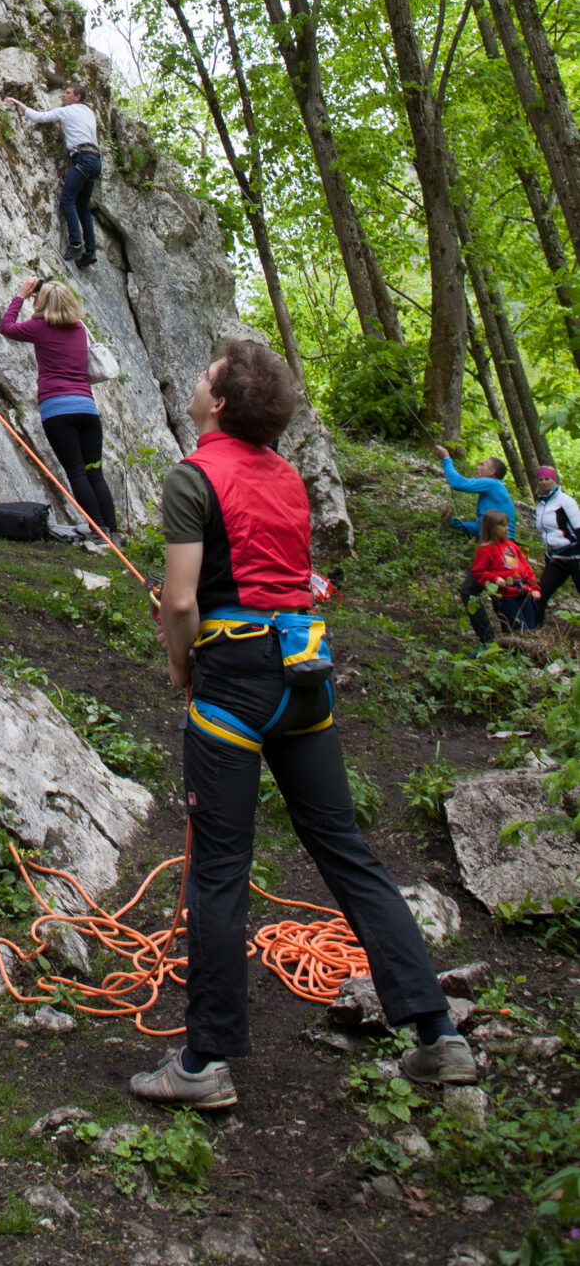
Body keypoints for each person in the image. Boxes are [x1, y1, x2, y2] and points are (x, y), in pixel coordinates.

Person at [131, 336, 476, 1111]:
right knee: (345, 849)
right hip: (303, 675)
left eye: (205, 375)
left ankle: (201, 1063)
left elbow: (180, 601)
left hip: (234, 683)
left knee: (219, 867)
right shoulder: (285, 475)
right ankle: (436, 1033)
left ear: (219, 403)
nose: (195, 378)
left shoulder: (192, 476)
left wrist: (180, 668)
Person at [0, 275, 116, 539]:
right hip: (87, 407)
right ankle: (112, 530)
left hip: (57, 408)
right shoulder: (79, 328)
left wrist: (20, 296)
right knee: (95, 472)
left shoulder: (39, 328)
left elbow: (6, 327)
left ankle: (98, 530)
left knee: (76, 472)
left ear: (43, 303)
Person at [10, 82, 102, 268]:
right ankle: (90, 251)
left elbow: (39, 117)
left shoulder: (68, 111)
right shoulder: (89, 112)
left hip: (82, 157)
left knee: (67, 200)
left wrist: (18, 103)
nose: (64, 95)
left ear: (77, 97)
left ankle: (76, 243)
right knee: (83, 207)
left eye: (68, 93)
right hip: (96, 161)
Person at [463, 511, 541, 638]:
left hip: (524, 592)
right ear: (493, 527)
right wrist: (494, 578)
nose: (507, 528)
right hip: (506, 596)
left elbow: (525, 568)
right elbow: (478, 571)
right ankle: (515, 648)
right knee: (519, 629)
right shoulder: (485, 549)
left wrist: (534, 588)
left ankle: (531, 647)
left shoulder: (512, 546)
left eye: (507, 525)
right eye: (503, 525)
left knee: (531, 628)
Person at [533, 464, 580, 624]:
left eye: (547, 479)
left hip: (574, 553)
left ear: (554, 480)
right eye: (541, 479)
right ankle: (535, 631)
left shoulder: (565, 501)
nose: (544, 482)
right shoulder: (540, 505)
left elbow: (578, 527)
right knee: (540, 594)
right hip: (556, 557)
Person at [438, 448, 520, 540]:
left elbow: (458, 483)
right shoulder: (494, 489)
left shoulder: (493, 483)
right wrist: (452, 521)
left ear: (492, 472)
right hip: (502, 542)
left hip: (498, 541)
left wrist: (446, 459)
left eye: (482, 465)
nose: (477, 467)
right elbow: (478, 529)